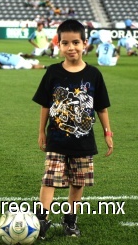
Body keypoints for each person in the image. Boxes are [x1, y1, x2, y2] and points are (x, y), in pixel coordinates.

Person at [32, 19, 114, 239]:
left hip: (83, 141)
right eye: (65, 43)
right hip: (56, 139)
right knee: (50, 179)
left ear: (85, 43)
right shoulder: (52, 72)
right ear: (58, 44)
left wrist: (108, 133)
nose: (71, 48)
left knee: (78, 182)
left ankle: (70, 221)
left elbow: (101, 107)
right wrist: (41, 132)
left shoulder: (94, 74)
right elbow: (45, 105)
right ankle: (41, 220)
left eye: (76, 42)